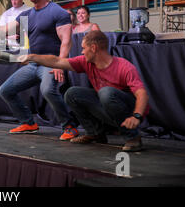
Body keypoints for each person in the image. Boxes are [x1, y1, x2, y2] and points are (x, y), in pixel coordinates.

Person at [0, 0, 78, 140]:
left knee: (47, 90)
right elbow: (3, 32)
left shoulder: (57, 12)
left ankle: (69, 126)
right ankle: (28, 123)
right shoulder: (26, 15)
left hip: (50, 63)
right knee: (5, 90)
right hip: (33, 63)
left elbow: (66, 41)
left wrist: (60, 64)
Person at [18, 30, 149, 152]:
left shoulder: (124, 66)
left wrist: (136, 116)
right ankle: (95, 133)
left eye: (84, 48)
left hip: (129, 114)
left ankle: (133, 138)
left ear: (93, 48)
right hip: (108, 109)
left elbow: (142, 93)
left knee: (105, 92)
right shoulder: (86, 62)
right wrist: (32, 57)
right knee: (72, 93)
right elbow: (57, 61)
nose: (82, 52)